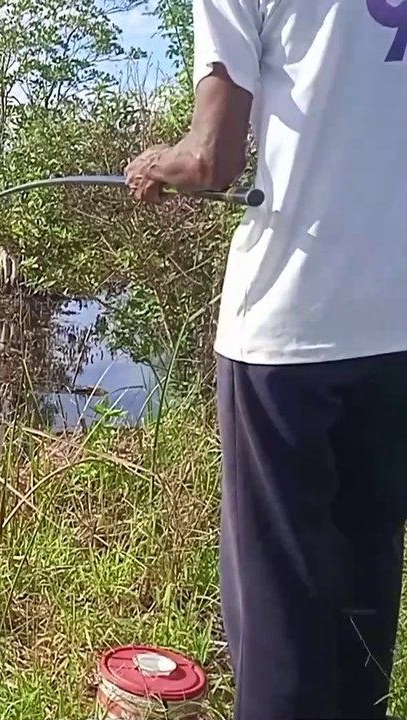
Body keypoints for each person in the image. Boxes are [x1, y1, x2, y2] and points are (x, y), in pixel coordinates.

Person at [123, 1, 407, 718]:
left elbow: (212, 159)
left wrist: (160, 162)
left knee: (282, 610)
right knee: (367, 595)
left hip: (291, 328)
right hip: (398, 328)